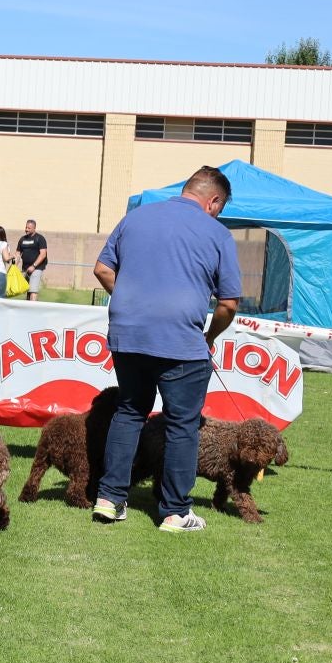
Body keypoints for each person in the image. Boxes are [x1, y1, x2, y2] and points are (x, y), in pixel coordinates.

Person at [91, 166, 242, 532]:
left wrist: (133, 303)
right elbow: (228, 304)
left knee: (129, 411)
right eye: (220, 208)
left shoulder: (135, 218)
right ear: (214, 201)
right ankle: (175, 512)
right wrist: (210, 336)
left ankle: (109, 499)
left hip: (128, 336)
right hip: (182, 342)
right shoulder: (217, 234)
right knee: (182, 424)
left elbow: (102, 270)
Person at [15, 219, 48, 300]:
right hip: (25, 268)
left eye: (29, 228)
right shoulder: (22, 239)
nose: (26, 229)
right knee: (27, 291)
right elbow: (18, 254)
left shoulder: (40, 238)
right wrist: (14, 266)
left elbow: (43, 254)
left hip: (36, 268)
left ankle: (33, 306)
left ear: (34, 228)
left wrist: (33, 266)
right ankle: (29, 307)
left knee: (33, 291)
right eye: (26, 227)